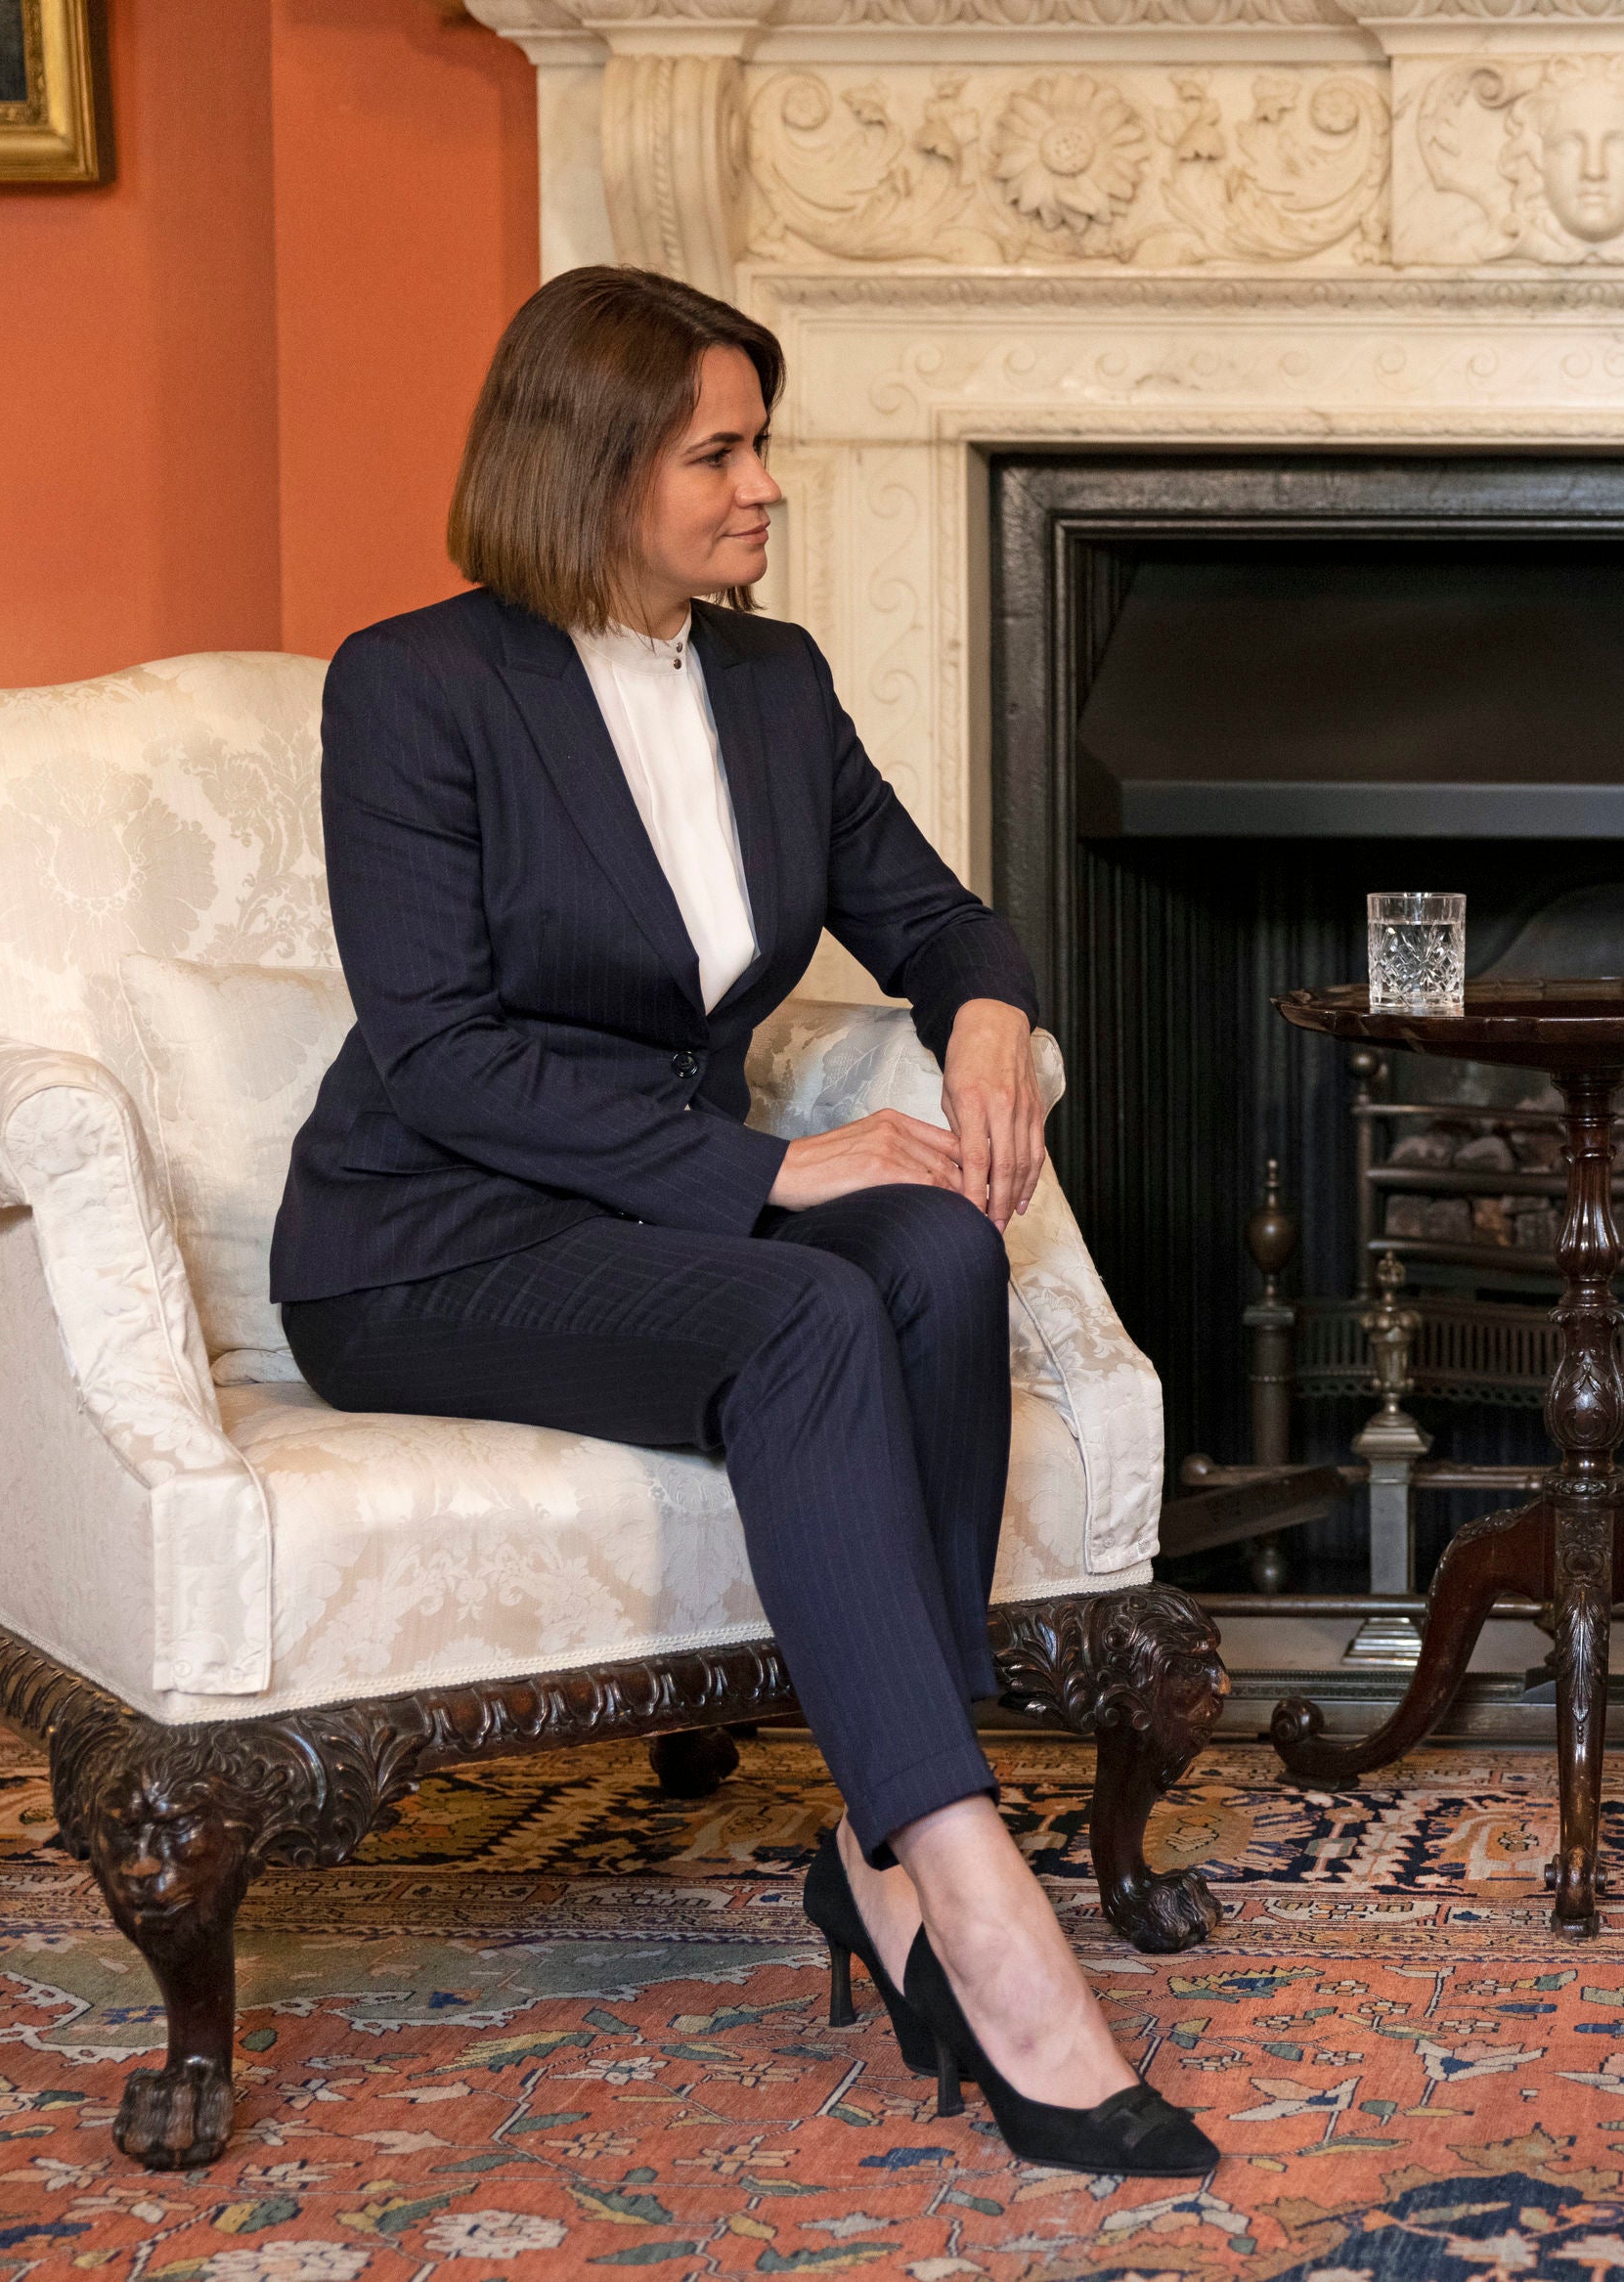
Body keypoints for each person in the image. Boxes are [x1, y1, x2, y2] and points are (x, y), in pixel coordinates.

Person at [268, 267, 1214, 2179]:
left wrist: (987, 1034)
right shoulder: (417, 686)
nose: (764, 485)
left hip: (654, 1228)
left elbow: (942, 917)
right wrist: (778, 1171)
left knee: (942, 1243)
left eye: (759, 442)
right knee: (812, 1310)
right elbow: (438, 1054)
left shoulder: (768, 685)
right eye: (721, 449)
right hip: (429, 1242)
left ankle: (871, 1849)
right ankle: (974, 1892)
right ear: (592, 465)